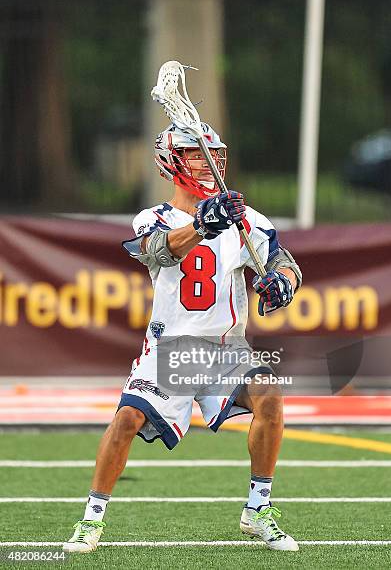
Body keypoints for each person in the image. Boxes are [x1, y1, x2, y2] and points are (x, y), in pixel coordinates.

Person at [63, 122, 302, 553]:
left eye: (209, 154)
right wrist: (203, 225)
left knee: (269, 395)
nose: (206, 162)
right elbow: (156, 251)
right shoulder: (153, 218)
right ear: (171, 162)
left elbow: (285, 264)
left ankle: (258, 510)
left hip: (226, 347)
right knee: (126, 422)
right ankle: (91, 519)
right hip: (170, 347)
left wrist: (282, 284)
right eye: (193, 153)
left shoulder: (244, 219)